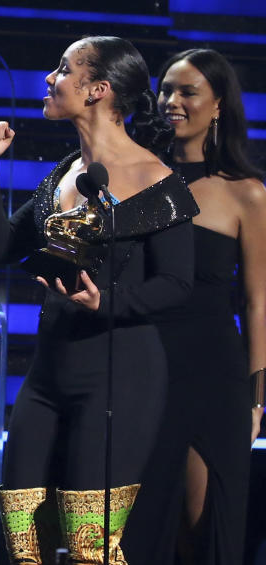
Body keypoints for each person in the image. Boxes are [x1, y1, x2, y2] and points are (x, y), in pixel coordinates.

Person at [0, 37, 199, 563]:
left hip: (121, 381)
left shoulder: (158, 183)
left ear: (98, 90)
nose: (49, 79)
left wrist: (107, 303)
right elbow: (1, 246)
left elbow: (179, 285)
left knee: (90, 546)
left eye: (63, 70)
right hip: (49, 375)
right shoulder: (67, 172)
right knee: (23, 538)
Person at [122, 48, 266, 565]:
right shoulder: (134, 179)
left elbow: (257, 302)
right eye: (165, 90)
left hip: (214, 375)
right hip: (144, 369)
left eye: (187, 91)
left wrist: (256, 400)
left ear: (219, 104)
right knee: (142, 526)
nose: (171, 101)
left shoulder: (246, 195)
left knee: (201, 533)